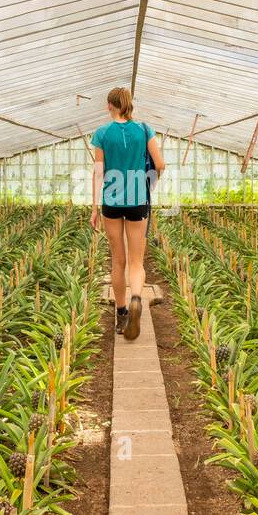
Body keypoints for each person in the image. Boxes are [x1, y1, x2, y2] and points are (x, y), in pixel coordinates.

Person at [90, 87, 165, 340]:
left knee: (117, 260)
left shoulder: (101, 134)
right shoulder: (144, 130)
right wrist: (148, 183)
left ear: (110, 106)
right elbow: (160, 164)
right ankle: (136, 297)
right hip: (137, 200)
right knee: (136, 261)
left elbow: (99, 173)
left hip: (111, 202)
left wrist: (93, 209)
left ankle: (122, 312)